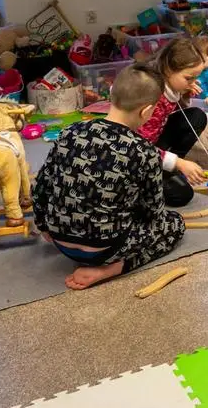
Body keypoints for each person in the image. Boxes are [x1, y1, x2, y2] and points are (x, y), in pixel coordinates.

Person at [32, 64, 186, 290]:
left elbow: (40, 187)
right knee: (175, 224)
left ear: (112, 93)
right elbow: (153, 214)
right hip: (106, 249)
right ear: (146, 111)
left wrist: (43, 225)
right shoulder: (145, 152)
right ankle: (112, 269)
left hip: (59, 241)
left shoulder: (69, 132)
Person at [138, 38, 208, 207]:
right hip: (139, 154)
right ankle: (153, 177)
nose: (193, 83)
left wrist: (184, 93)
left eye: (195, 78)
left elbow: (170, 112)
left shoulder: (169, 84)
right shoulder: (151, 96)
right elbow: (139, 148)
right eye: (189, 78)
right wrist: (178, 163)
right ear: (168, 70)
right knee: (182, 194)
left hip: (154, 138)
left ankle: (168, 168)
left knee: (197, 116)